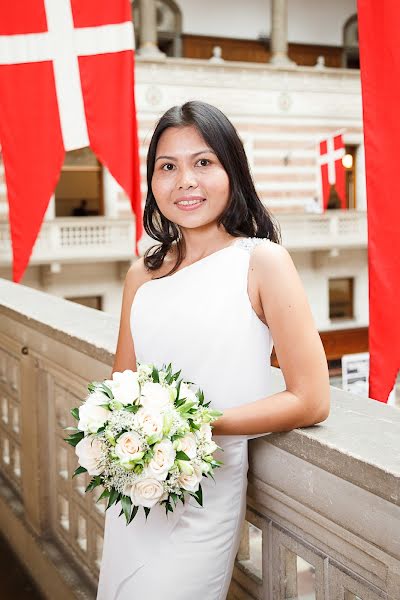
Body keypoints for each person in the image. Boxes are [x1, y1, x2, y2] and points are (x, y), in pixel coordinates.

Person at [96, 100, 330, 600]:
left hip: (205, 496)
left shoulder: (262, 261)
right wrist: (121, 436)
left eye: (203, 162)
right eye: (168, 166)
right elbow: (121, 388)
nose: (185, 180)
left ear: (232, 170)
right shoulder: (142, 275)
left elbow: (311, 398)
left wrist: (191, 425)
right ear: (152, 181)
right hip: (136, 494)